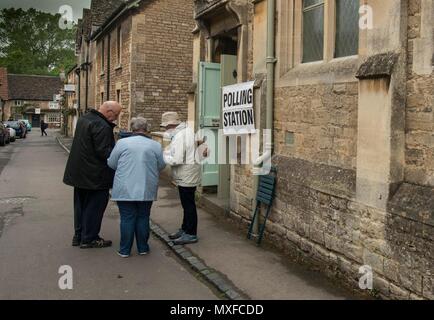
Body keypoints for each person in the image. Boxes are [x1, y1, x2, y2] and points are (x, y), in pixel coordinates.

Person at [63, 101, 121, 249]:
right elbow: (105, 152)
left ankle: (79, 235)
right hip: (95, 175)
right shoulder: (102, 126)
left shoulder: (85, 118)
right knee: (94, 207)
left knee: (80, 206)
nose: (115, 119)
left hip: (79, 173)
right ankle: (89, 238)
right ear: (108, 112)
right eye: (116, 115)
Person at [108, 117, 166, 258]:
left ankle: (125, 250)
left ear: (132, 128)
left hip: (125, 187)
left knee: (127, 218)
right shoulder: (155, 145)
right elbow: (162, 165)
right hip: (146, 186)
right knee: (143, 217)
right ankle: (143, 248)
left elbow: (112, 163)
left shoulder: (121, 143)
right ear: (146, 129)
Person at [162, 112, 207, 245]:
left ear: (171, 125)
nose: (165, 130)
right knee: (187, 204)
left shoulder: (181, 135)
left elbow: (177, 159)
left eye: (165, 127)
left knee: (188, 205)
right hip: (188, 174)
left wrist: (164, 156)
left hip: (186, 175)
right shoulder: (185, 132)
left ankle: (191, 233)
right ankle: (185, 229)